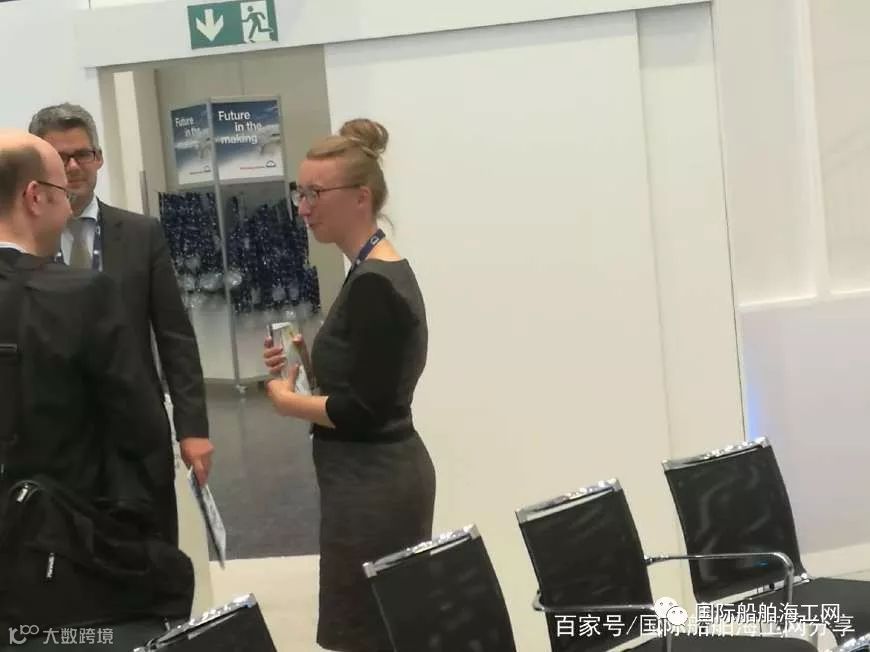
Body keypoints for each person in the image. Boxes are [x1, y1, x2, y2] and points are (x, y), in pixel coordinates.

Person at [0, 130, 193, 648]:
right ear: (35, 197)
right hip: (68, 559)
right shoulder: (82, 295)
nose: (69, 209)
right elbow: (141, 437)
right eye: (62, 194)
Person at [263, 118, 436, 652]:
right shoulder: (371, 274)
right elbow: (368, 381)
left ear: (361, 197)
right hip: (369, 482)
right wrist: (305, 366)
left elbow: (363, 409)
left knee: (369, 634)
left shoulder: (374, 285)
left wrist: (287, 401)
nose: (303, 207)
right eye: (300, 192)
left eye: (315, 193)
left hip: (374, 489)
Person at [28, 103, 214, 545]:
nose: (74, 167)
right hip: (53, 441)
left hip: (136, 434)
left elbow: (175, 336)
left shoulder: (141, 233)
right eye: (61, 157)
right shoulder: (23, 243)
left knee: (151, 555)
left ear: (99, 159)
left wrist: (193, 428)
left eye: (83, 154)